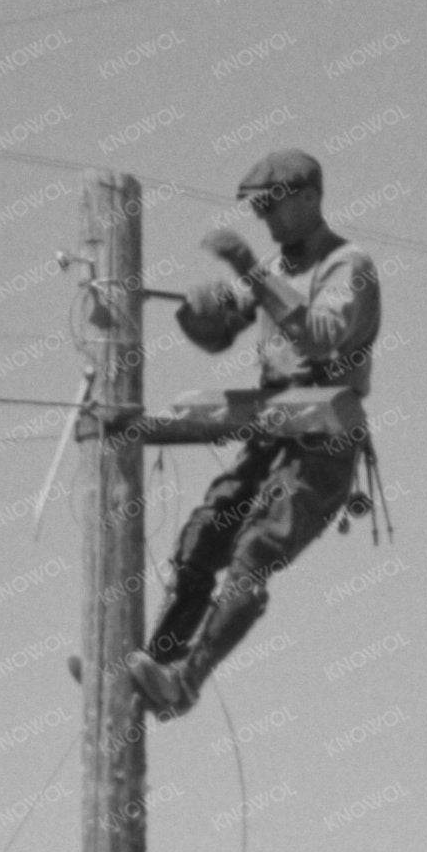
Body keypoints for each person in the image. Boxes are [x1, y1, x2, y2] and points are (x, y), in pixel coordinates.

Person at [122, 147, 383, 719]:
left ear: (310, 199)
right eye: (258, 209)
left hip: (325, 437)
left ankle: (184, 682)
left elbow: (319, 336)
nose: (264, 218)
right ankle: (152, 665)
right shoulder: (279, 268)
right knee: (204, 536)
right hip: (273, 430)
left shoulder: (346, 265)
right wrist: (200, 311)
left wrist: (249, 269)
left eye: (273, 205)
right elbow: (220, 333)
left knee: (254, 550)